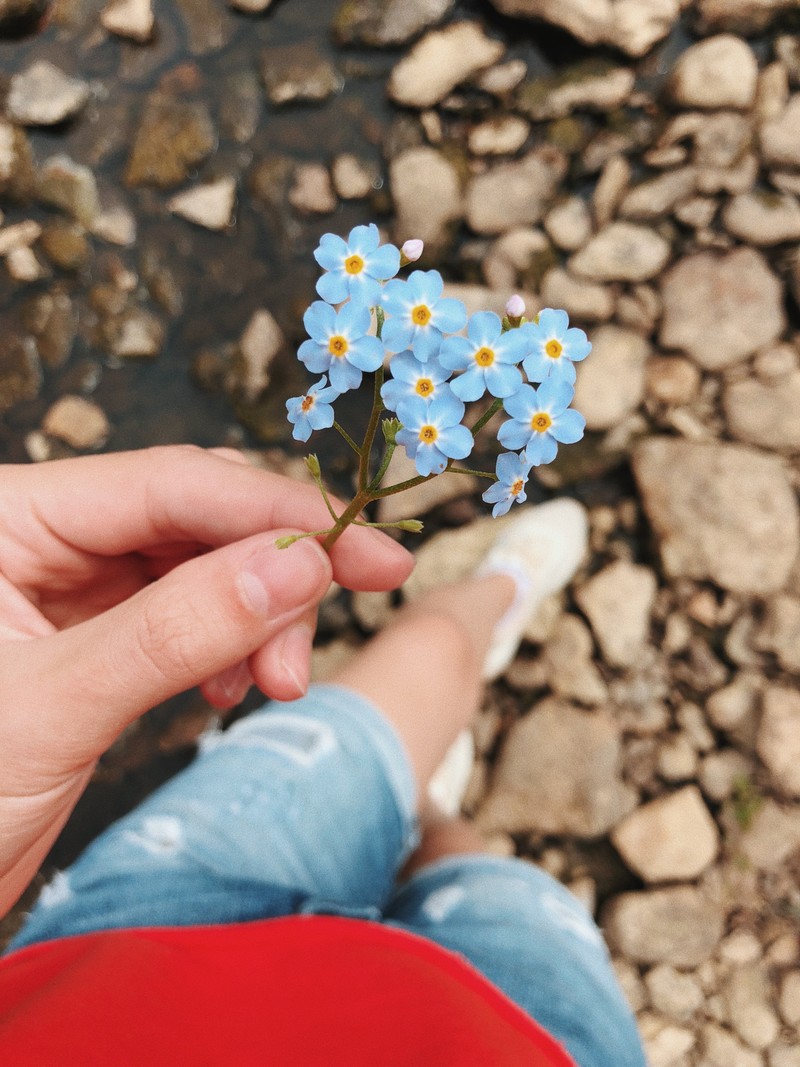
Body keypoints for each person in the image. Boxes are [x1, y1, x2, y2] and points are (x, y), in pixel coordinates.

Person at [0, 445, 646, 1067]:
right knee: (463, 860)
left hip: (126, 958)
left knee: (435, 645)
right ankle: (430, 812)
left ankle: (499, 596)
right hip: (518, 1029)